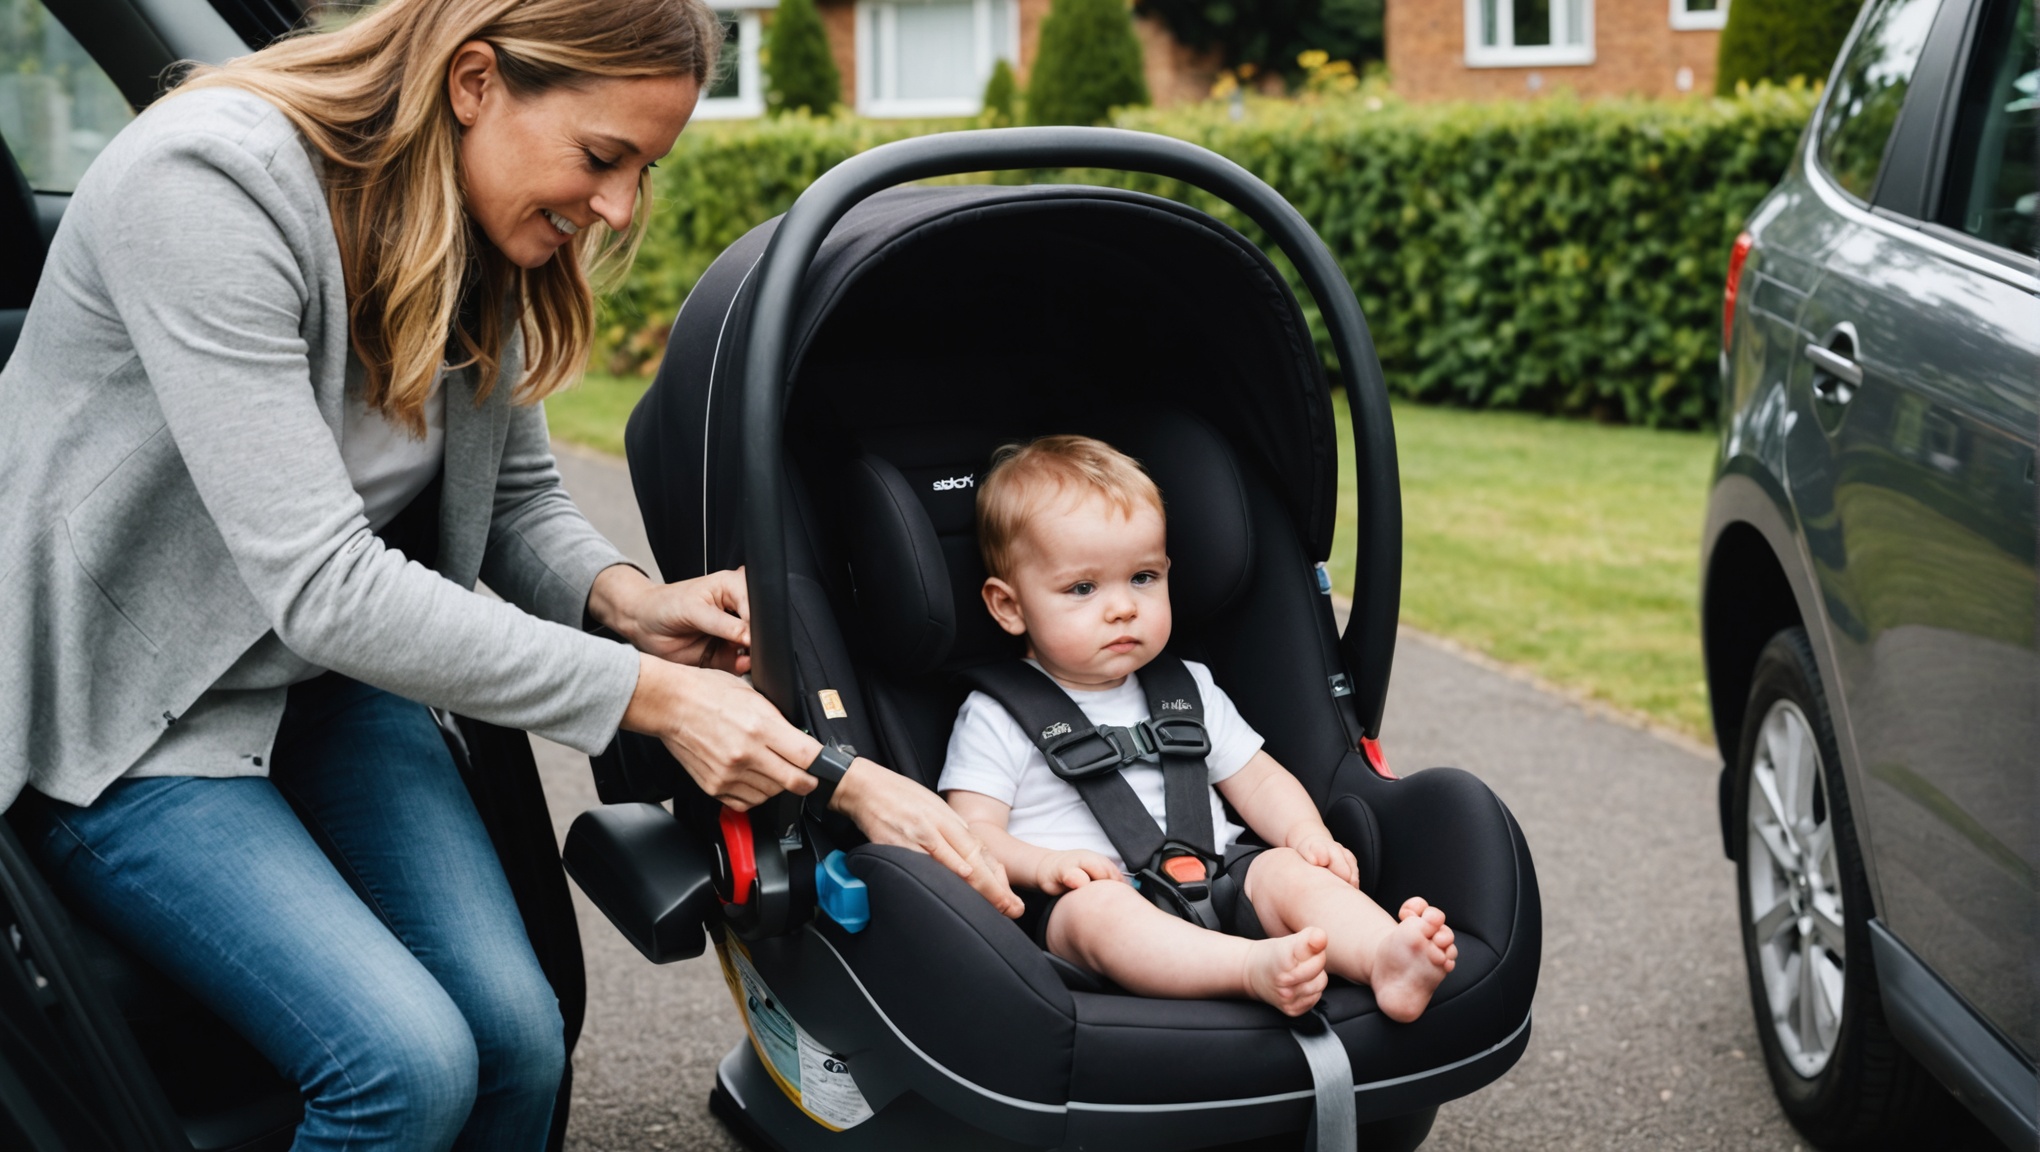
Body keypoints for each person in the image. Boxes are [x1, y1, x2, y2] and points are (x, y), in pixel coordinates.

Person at [0, 0, 1016, 1147]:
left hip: (326, 691)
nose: (620, 206)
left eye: (645, 168)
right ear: (475, 79)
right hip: (133, 712)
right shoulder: (207, 185)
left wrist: (630, 606)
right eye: (603, 157)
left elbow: (518, 504)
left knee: (520, 1042)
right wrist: (658, 698)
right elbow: (326, 582)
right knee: (402, 1069)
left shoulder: (485, 226)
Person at [939, 436, 1457, 1020]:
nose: (1122, 608)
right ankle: (1249, 971)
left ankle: (1384, 954)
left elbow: (1257, 780)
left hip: (1218, 877)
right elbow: (970, 833)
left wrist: (1305, 835)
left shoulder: (1187, 689)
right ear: (1008, 606)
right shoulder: (996, 715)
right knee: (1101, 913)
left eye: (1142, 577)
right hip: (1083, 908)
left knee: (1289, 872)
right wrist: (1043, 867)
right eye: (1083, 588)